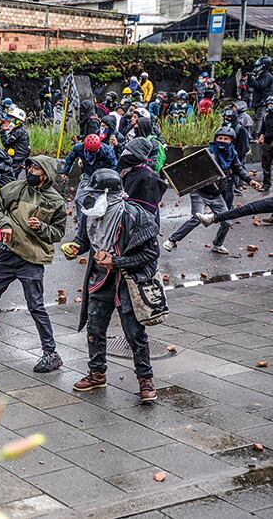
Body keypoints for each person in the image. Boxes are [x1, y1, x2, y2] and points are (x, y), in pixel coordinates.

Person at [61, 169, 160, 402]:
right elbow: (85, 240)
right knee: (95, 329)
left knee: (135, 333)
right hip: (100, 281)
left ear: (111, 195)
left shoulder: (137, 216)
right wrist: (76, 246)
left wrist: (116, 261)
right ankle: (97, 373)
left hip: (128, 282)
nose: (92, 198)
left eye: (97, 193)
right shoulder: (90, 213)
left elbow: (151, 253)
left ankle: (145, 379)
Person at [0, 157, 66, 373]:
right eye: (29, 167)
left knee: (36, 307)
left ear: (47, 173)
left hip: (32, 259)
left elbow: (58, 233)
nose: (31, 171)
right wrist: (4, 224)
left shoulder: (56, 201)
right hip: (7, 254)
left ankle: (51, 353)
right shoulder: (14, 188)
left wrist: (41, 227)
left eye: (36, 168)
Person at [164, 127, 262, 254]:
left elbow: (238, 168)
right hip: (200, 192)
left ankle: (218, 244)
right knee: (196, 219)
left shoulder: (232, 153)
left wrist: (250, 180)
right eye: (219, 138)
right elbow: (190, 172)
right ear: (215, 139)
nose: (222, 141)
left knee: (226, 221)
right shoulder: (207, 154)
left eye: (226, 139)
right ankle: (172, 240)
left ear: (231, 141)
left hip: (216, 194)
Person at [60, 134, 117, 220]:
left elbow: (114, 167)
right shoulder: (78, 148)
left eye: (94, 152)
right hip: (88, 174)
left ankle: (97, 220)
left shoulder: (107, 151)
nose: (91, 154)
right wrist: (65, 172)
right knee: (79, 199)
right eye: (89, 152)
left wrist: (109, 182)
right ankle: (81, 221)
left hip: (102, 177)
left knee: (99, 201)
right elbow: (70, 159)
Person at [117, 137, 167, 220]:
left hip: (141, 222)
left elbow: (148, 209)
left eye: (128, 151)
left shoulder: (148, 178)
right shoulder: (129, 172)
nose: (124, 154)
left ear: (137, 155)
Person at [0, 107, 30, 178]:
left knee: (10, 178)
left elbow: (6, 144)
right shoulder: (17, 130)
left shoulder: (18, 132)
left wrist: (3, 131)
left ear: (17, 121)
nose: (8, 120)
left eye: (11, 118)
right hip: (15, 159)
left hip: (16, 160)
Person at [249, 56, 273, 137]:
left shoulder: (267, 75)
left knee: (261, 117)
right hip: (259, 100)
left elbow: (260, 85)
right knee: (258, 117)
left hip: (264, 101)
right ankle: (257, 133)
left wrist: (252, 79)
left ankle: (257, 134)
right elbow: (253, 85)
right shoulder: (261, 74)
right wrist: (251, 78)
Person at [258, 95, 273, 192]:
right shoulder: (266, 116)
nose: (270, 106)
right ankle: (266, 184)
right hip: (267, 144)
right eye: (269, 104)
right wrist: (261, 136)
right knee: (266, 165)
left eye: (272, 104)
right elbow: (263, 129)